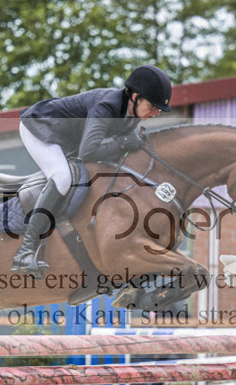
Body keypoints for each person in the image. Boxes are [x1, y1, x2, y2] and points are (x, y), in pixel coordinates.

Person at [12, 65, 172, 278]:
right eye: (153, 106)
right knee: (62, 178)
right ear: (135, 97)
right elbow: (89, 152)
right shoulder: (107, 107)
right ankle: (25, 250)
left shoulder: (132, 115)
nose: (156, 112)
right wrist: (124, 142)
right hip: (40, 128)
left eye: (158, 109)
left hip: (67, 139)